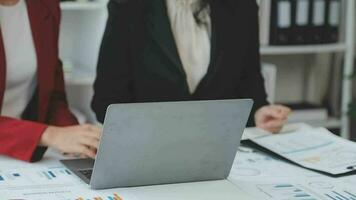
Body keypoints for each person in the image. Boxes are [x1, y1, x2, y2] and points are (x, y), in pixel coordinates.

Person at [92, 0, 291, 133]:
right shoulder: (128, 7)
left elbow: (249, 81)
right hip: (148, 152)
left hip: (222, 152)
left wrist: (259, 113)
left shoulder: (242, 6)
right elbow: (107, 101)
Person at [0, 0, 101, 162]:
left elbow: (52, 95)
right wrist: (49, 134)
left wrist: (80, 138)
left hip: (26, 150)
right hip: (27, 140)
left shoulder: (45, 5)